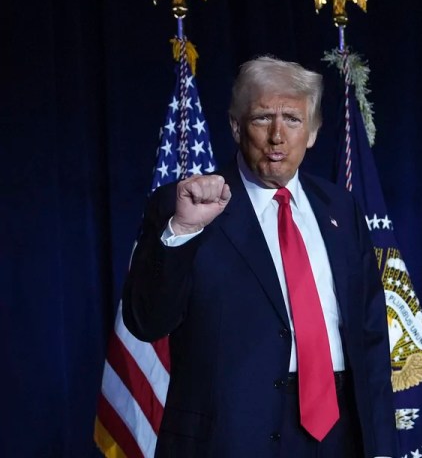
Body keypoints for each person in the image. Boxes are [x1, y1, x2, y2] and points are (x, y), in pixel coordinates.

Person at [122, 55, 397, 457]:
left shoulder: (340, 208)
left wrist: (383, 447)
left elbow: (371, 336)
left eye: (292, 119)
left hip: (341, 434)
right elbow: (146, 321)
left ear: (315, 131)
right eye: (262, 118)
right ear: (235, 127)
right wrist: (181, 231)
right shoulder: (189, 206)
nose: (277, 137)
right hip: (232, 438)